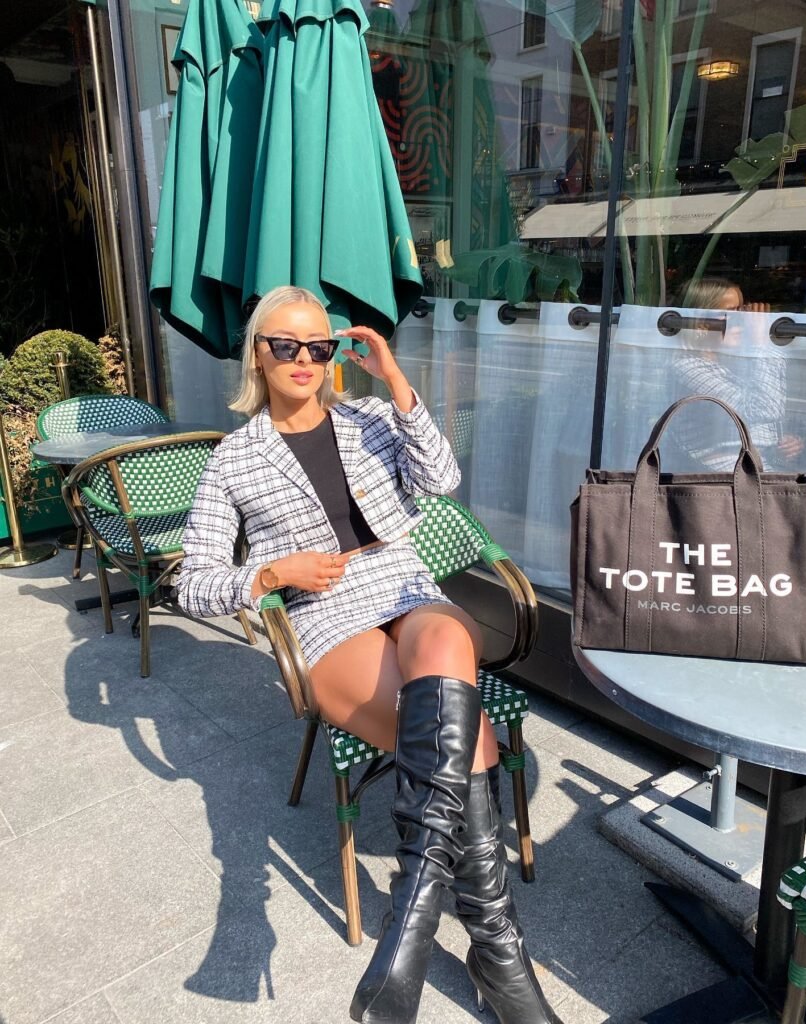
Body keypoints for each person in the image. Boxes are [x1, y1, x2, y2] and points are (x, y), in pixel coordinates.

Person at [177, 285, 554, 1024]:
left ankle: (412, 911)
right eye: (285, 344)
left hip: (402, 584)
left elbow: (441, 481)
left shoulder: (371, 417)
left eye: (318, 346)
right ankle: (498, 950)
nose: (304, 358)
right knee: (471, 737)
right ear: (257, 355)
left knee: (445, 638)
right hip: (324, 615)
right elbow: (193, 584)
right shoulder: (232, 460)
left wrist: (396, 380)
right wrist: (270, 574)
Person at [670, 277, 804, 472]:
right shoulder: (687, 368)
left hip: (753, 465)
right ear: (700, 324)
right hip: (723, 473)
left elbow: (758, 421)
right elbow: (764, 410)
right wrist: (761, 344)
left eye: (742, 312)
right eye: (732, 314)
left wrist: (780, 446)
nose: (742, 322)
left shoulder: (734, 362)